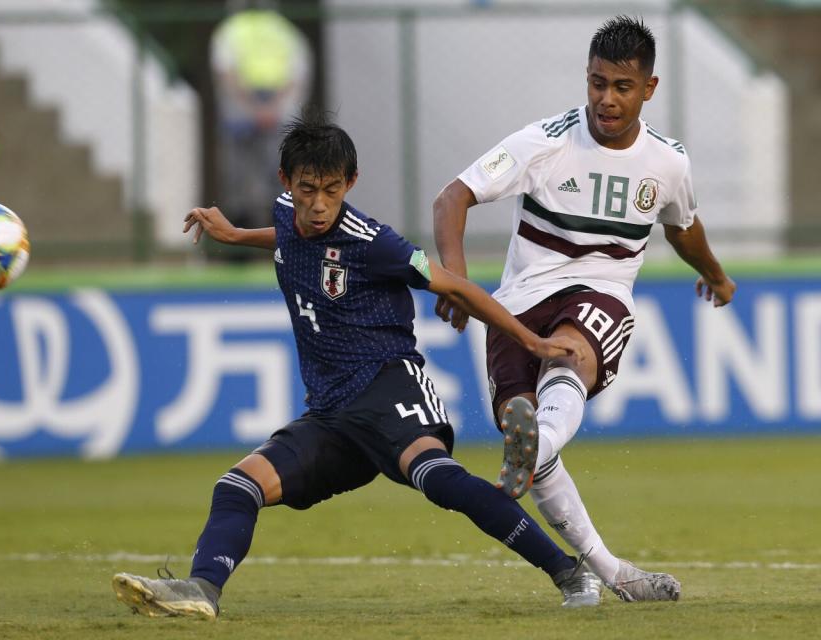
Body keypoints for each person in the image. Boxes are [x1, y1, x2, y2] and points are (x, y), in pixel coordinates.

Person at [112, 113, 605, 620]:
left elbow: (454, 286)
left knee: (440, 479)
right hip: (330, 412)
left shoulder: (374, 243)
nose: (319, 203)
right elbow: (290, 235)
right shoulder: (287, 213)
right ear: (287, 182)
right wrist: (235, 236)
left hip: (389, 385)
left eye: (331, 189)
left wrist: (530, 340)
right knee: (237, 487)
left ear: (351, 182)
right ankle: (201, 591)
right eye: (308, 189)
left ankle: (568, 571)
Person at [432, 15, 736, 602]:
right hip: (516, 307)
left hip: (601, 294)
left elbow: (683, 228)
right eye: (597, 83)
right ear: (587, 79)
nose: (606, 98)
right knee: (529, 433)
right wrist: (455, 280)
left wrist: (716, 276)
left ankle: (536, 446)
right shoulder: (543, 142)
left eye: (622, 87)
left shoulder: (668, 163)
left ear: (648, 88)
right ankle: (611, 571)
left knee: (570, 355)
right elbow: (453, 196)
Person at [209, 0, 312, 252]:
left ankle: (241, 248)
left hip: (245, 111)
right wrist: (273, 109)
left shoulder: (231, 29)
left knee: (242, 180)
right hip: (272, 112)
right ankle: (281, 243)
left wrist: (254, 109)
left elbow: (226, 73)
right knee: (276, 179)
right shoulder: (284, 30)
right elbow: (299, 72)